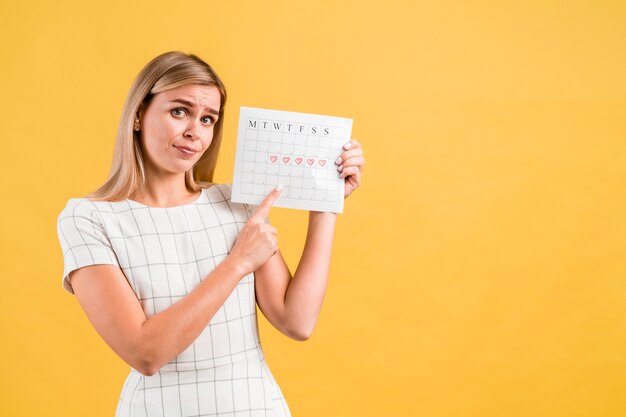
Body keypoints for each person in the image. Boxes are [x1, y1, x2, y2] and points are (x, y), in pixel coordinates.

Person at [57, 51, 364, 417]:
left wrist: (326, 203)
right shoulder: (89, 218)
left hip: (254, 408)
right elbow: (145, 353)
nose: (195, 131)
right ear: (139, 113)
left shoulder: (234, 203)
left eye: (207, 119)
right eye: (179, 111)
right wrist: (236, 265)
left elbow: (297, 322)